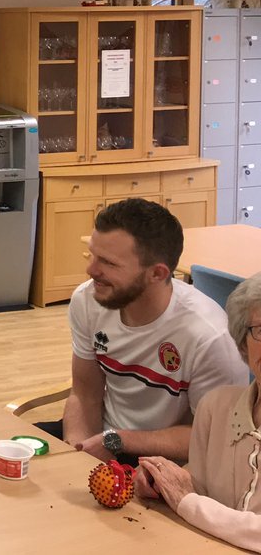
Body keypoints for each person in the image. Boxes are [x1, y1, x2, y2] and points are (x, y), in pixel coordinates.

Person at [59, 198, 247, 463]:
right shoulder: (88, 300)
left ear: (157, 274)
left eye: (108, 263)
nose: (91, 270)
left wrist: (118, 440)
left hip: (167, 464)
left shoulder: (210, 338)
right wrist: (78, 455)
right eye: (93, 255)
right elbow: (84, 395)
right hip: (105, 442)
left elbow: (214, 439)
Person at [135, 273, 261, 551]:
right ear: (243, 342)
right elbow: (199, 486)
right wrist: (162, 482)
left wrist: (188, 502)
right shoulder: (215, 407)